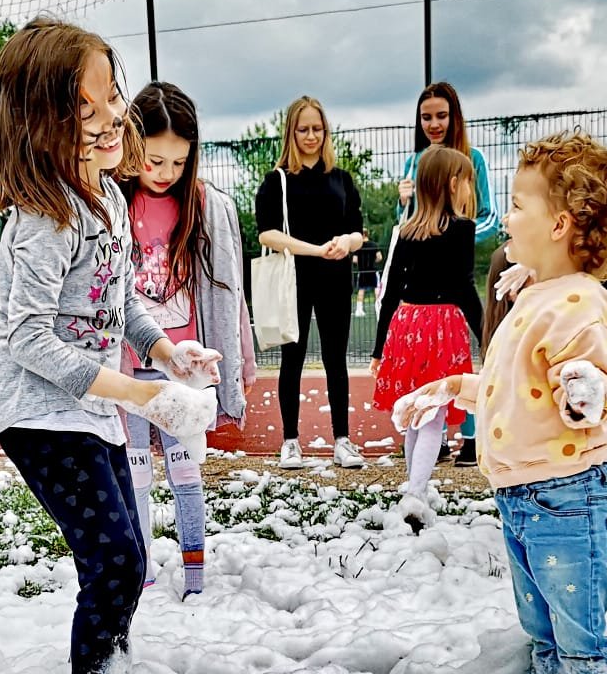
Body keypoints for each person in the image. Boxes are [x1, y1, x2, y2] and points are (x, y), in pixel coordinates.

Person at [0, 19, 220, 674]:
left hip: (85, 407)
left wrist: (169, 353)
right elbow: (28, 339)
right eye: (84, 107)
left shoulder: (108, 199)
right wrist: (141, 394)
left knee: (126, 559)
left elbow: (119, 302)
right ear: (40, 122)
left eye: (111, 95)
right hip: (37, 416)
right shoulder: (43, 219)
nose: (112, 116)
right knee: (115, 561)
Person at [393, 132, 607, 674]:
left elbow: (592, 378)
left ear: (559, 225)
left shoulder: (578, 302)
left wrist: (585, 388)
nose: (507, 216)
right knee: (541, 618)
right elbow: (516, 393)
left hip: (566, 494)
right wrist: (451, 388)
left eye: (520, 205)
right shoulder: (537, 297)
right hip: (525, 495)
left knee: (578, 626)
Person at [118, 81, 255, 597]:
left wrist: (236, 356)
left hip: (184, 366)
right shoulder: (113, 204)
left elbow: (227, 289)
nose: (164, 174)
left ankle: (195, 575)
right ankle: (144, 574)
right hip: (129, 366)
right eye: (154, 161)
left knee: (186, 471)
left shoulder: (203, 206)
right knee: (135, 476)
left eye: (178, 163)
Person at [256, 95, 367, 470]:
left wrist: (346, 242)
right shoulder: (277, 181)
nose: (311, 136)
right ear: (291, 131)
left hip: (335, 278)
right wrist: (313, 250)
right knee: (293, 359)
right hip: (294, 280)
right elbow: (267, 234)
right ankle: (290, 441)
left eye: (317, 128)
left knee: (337, 359)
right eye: (303, 129)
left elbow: (357, 230)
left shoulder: (341, 179)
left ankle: (343, 439)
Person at [395, 82, 499, 468]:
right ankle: (430, 437)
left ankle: (470, 438)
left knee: (462, 359)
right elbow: (404, 227)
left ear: (455, 116)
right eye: (427, 117)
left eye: (441, 115)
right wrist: (404, 203)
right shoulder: (414, 162)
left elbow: (489, 213)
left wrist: (459, 233)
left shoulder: (474, 159)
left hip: (458, 273)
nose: (434, 124)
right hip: (424, 291)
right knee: (431, 363)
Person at [373, 145, 482, 498]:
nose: (470, 189)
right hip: (442, 330)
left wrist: (379, 349)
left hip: (406, 328)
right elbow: (465, 288)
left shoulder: (406, 231)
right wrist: (488, 336)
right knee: (432, 416)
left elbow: (391, 292)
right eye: (468, 181)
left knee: (414, 415)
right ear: (453, 184)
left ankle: (413, 489)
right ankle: (415, 495)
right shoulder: (463, 229)